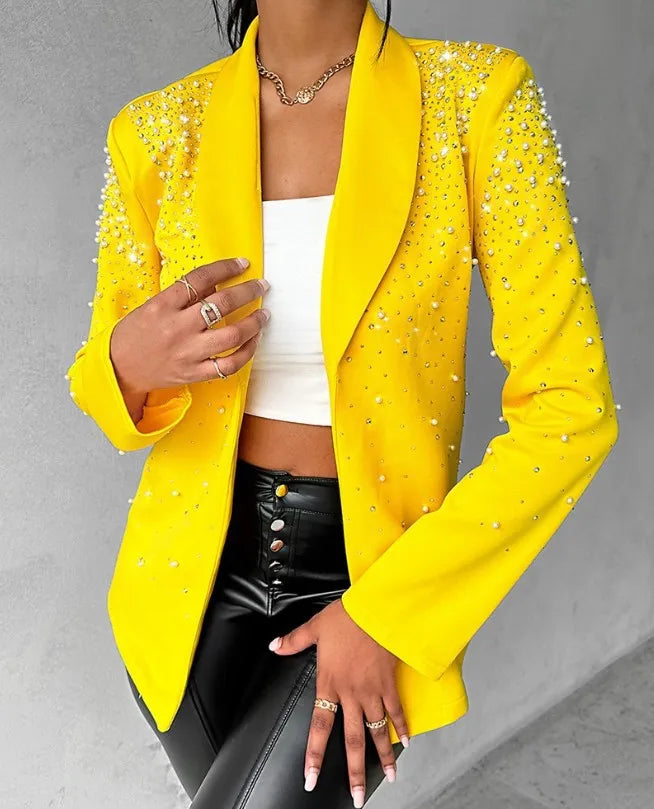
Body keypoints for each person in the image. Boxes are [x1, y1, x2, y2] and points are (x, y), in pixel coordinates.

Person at [65, 0, 620, 806]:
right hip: (184, 598)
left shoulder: (477, 97)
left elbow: (571, 407)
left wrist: (386, 612)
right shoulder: (154, 130)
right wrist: (125, 361)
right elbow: (101, 379)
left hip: (368, 579)